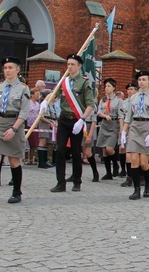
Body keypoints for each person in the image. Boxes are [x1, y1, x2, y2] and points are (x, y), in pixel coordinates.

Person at [0, 57, 31, 205]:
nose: (7, 70)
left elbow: (24, 112)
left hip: (14, 122)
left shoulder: (23, 88)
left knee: (14, 160)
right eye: (5, 68)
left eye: (10, 67)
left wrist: (14, 129)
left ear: (17, 69)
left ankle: (16, 191)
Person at [49, 54, 95, 193]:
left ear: (79, 66)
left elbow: (90, 105)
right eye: (68, 64)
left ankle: (77, 181)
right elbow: (53, 95)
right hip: (63, 119)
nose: (69, 67)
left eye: (72, 64)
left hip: (77, 120)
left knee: (76, 152)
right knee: (60, 150)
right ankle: (60, 183)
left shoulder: (85, 82)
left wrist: (82, 120)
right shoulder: (64, 82)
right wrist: (46, 102)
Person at [120, 70, 149, 199]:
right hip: (134, 127)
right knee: (133, 160)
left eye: (144, 79)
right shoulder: (133, 98)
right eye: (139, 80)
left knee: (144, 162)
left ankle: (147, 185)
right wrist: (123, 132)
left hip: (147, 127)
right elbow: (128, 117)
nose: (141, 82)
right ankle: (136, 190)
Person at [96, 78, 122, 180]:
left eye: (109, 86)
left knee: (109, 148)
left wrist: (121, 129)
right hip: (105, 124)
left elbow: (120, 115)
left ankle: (115, 164)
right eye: (106, 86)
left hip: (114, 124)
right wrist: (105, 116)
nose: (107, 88)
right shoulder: (103, 100)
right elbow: (98, 112)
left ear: (114, 88)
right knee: (104, 150)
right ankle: (108, 173)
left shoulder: (118, 101)